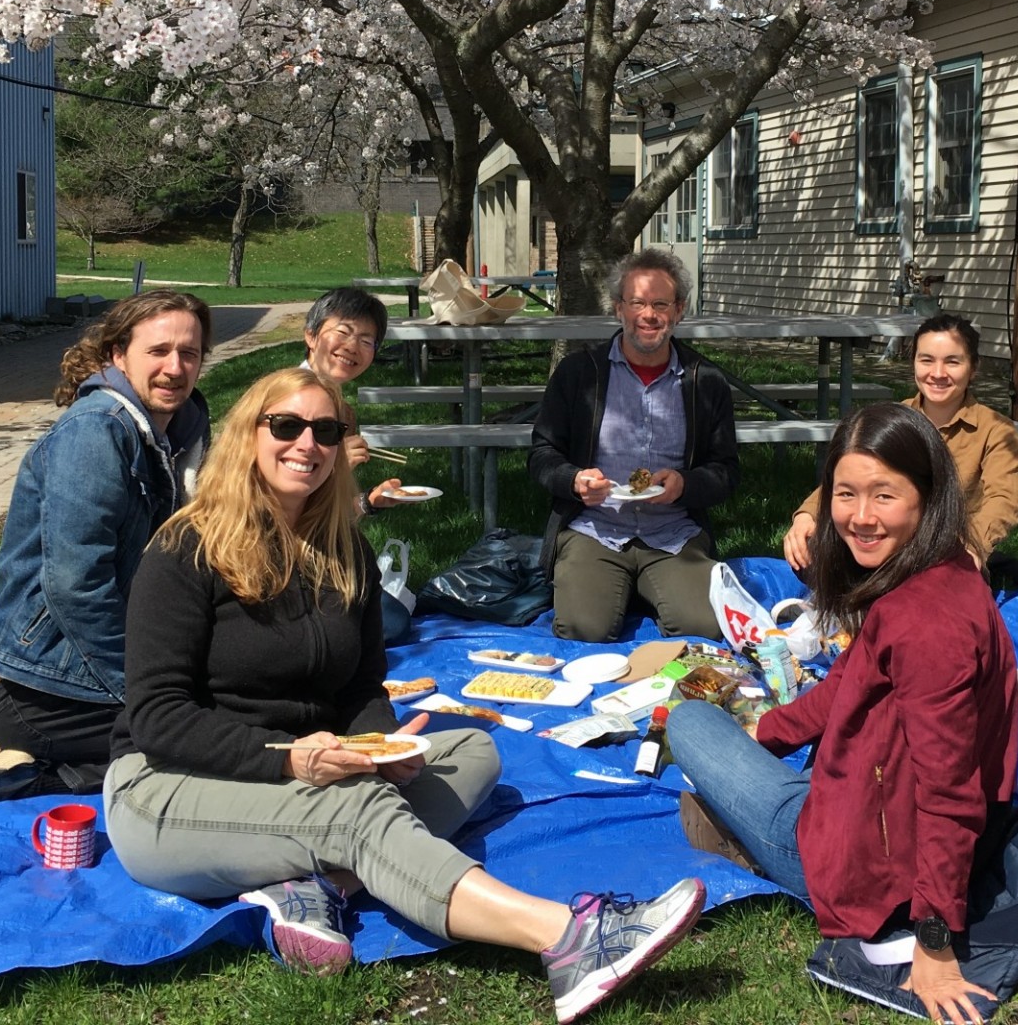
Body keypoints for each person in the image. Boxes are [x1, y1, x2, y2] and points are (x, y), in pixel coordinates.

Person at [104, 368, 706, 1023]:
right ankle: (568, 939)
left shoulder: (344, 551)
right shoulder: (184, 549)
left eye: (326, 431)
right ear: (248, 434)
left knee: (473, 751)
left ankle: (318, 888)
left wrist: (380, 746)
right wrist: (290, 759)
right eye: (286, 426)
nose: (306, 443)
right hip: (166, 789)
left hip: (303, 779)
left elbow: (362, 687)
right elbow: (159, 718)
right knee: (360, 810)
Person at [667, 404, 1018, 1024]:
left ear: (928, 495)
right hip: (878, 811)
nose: (861, 517)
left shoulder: (922, 621)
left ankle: (746, 833)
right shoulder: (945, 570)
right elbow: (852, 686)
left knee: (692, 722)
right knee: (741, 731)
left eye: (884, 495)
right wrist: (766, 733)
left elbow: (948, 792)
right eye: (846, 493)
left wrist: (933, 943)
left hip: (864, 863)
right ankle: (746, 789)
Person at [0, 291, 212, 790]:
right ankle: (29, 777)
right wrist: (152, 691)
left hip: (96, 670)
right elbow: (75, 585)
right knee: (221, 735)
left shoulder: (178, 432)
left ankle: (78, 770)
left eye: (189, 353)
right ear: (117, 355)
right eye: (158, 351)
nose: (175, 367)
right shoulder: (96, 432)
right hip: (44, 689)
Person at [528, 248, 739, 642]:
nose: (649, 314)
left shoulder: (703, 381)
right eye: (638, 302)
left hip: (673, 532)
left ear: (679, 310)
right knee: (582, 628)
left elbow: (727, 470)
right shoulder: (580, 374)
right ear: (618, 308)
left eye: (661, 303)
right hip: (596, 526)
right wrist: (574, 480)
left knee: (703, 628)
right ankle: (622, 587)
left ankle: (646, 586)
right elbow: (541, 455)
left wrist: (685, 485)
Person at [783, 314, 1018, 573]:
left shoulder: (996, 430)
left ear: (973, 367)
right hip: (885, 540)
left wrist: (971, 546)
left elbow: (1003, 499)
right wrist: (807, 514)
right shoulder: (892, 419)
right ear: (914, 363)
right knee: (811, 556)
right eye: (926, 360)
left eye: (952, 362)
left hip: (948, 548)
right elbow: (849, 477)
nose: (938, 373)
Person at [301, 287, 409, 516]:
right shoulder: (287, 401)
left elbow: (322, 510)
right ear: (311, 335)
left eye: (366, 341)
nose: (352, 347)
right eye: (342, 332)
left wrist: (369, 502)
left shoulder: (342, 412)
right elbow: (274, 497)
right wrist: (336, 467)